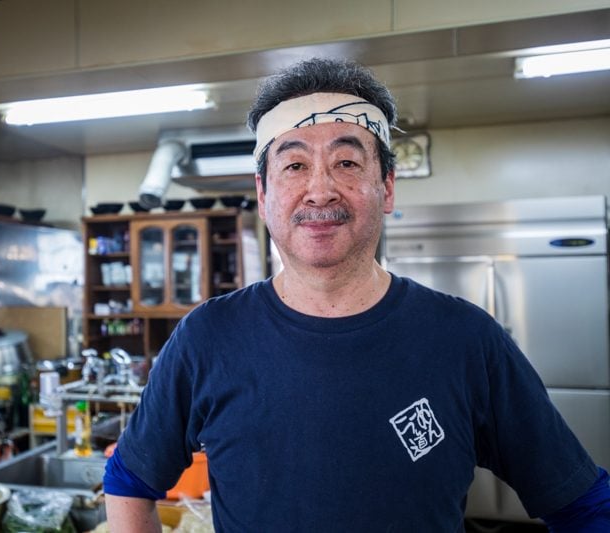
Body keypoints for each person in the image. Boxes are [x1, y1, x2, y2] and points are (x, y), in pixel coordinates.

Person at [103, 57, 610, 532]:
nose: (319, 190)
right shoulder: (208, 337)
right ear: (263, 195)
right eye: (294, 166)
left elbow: (583, 503)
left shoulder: (466, 339)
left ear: (387, 187)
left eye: (346, 162)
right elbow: (129, 479)